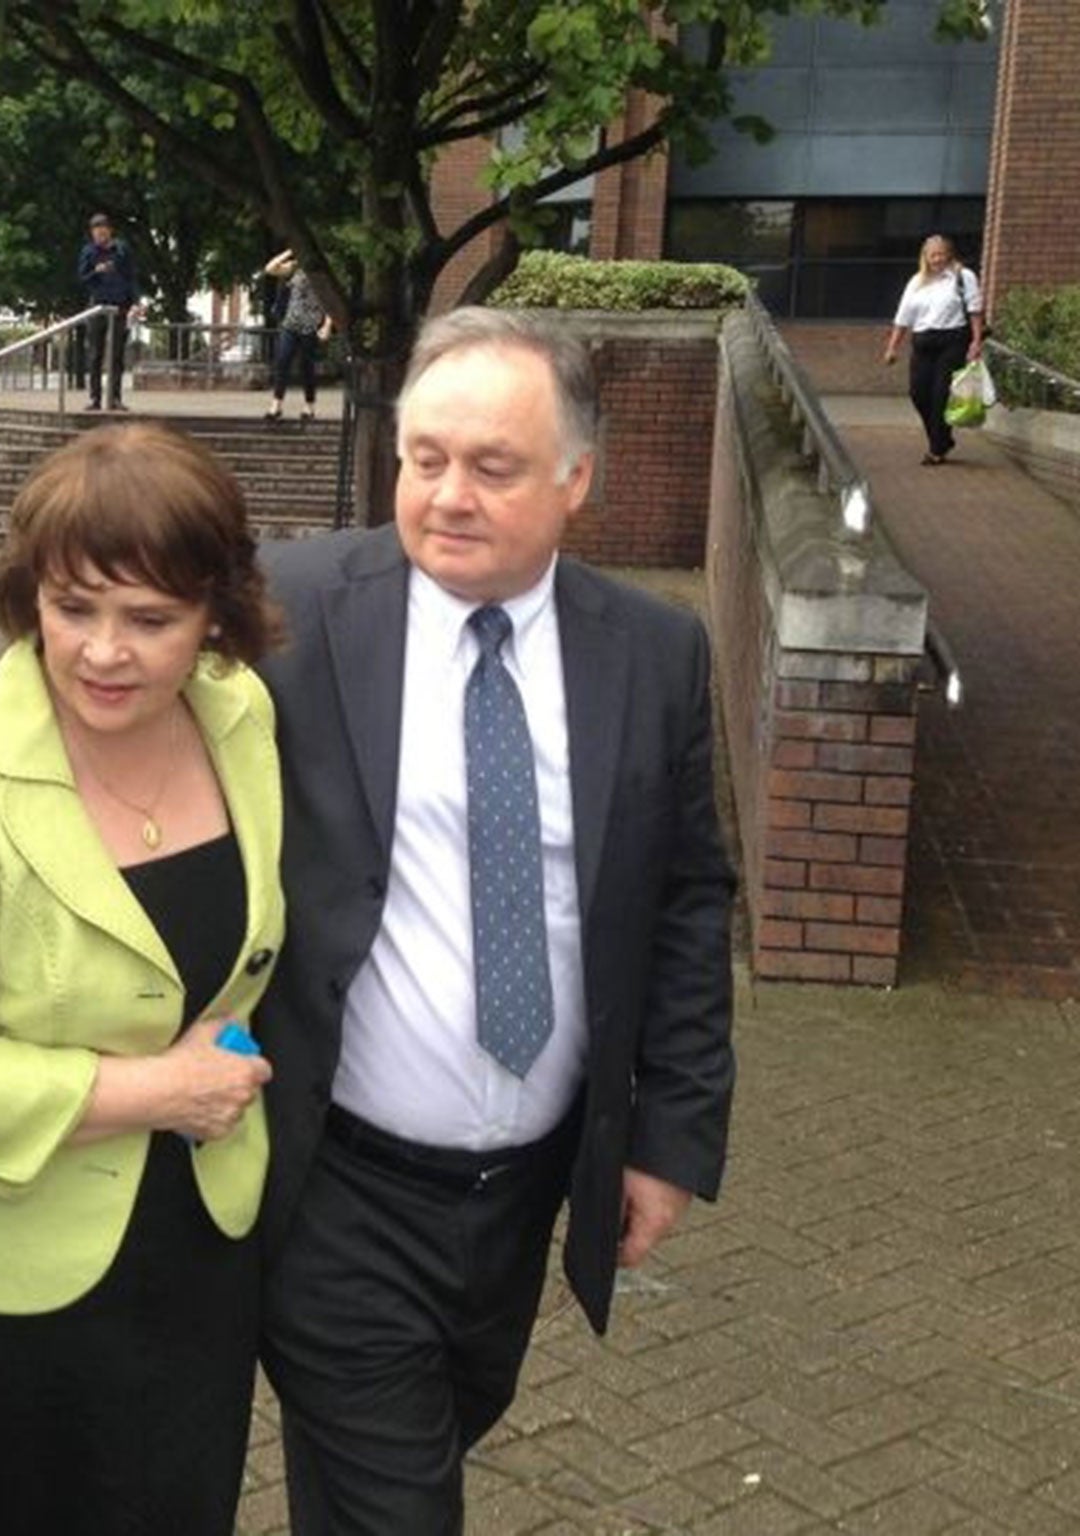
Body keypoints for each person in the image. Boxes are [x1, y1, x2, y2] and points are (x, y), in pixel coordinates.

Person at [255, 306, 736, 1534]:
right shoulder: (289, 611)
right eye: (424, 460)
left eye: (492, 467)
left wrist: (666, 1136)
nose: (447, 496)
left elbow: (685, 897)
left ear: (577, 478)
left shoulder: (653, 653)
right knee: (395, 1499)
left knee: (425, 1438)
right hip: (335, 1186)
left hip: (527, 1190)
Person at [0, 422, 285, 1536]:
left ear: (216, 617)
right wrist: (159, 1092)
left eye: (150, 619)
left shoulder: (239, 717)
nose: (102, 651)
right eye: (71, 606)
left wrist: (221, 1063)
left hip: (196, 1250)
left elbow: (233, 973)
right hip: (2, 1287)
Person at [881, 233, 985, 466]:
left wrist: (976, 342)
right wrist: (892, 348)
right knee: (918, 394)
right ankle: (943, 439)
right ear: (925, 257)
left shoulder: (963, 276)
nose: (937, 259)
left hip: (952, 341)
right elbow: (903, 317)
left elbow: (975, 310)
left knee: (940, 397)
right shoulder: (916, 281)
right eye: (932, 255)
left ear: (949, 254)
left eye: (941, 254)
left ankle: (936, 449)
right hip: (923, 342)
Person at [261, 249, 334, 424]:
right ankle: (276, 405)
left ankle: (309, 406)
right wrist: (290, 252)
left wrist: (327, 326)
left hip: (310, 327)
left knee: (306, 366)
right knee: (282, 361)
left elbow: (330, 302)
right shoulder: (294, 268)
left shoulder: (323, 274)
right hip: (290, 324)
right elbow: (269, 268)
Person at [76, 211, 138, 411]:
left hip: (119, 306)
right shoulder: (88, 252)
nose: (101, 234)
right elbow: (82, 279)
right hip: (98, 307)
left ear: (110, 231)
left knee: (117, 354)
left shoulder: (121, 250)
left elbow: (131, 278)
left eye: (104, 230)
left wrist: (134, 302)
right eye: (97, 231)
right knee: (96, 354)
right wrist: (97, 271)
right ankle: (95, 398)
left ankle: (115, 398)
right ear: (93, 233)